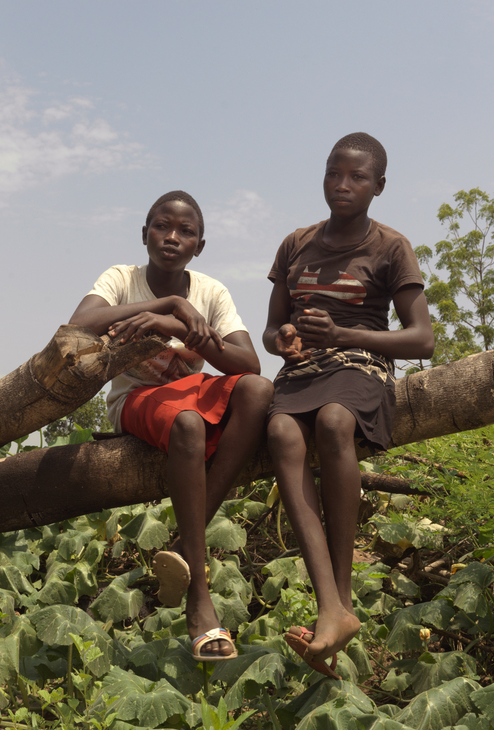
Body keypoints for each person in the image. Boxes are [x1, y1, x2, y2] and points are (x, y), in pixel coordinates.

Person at [69, 190, 273, 662]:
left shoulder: (211, 291)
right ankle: (200, 600)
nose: (172, 237)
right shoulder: (123, 278)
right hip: (136, 399)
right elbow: (79, 324)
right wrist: (171, 305)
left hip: (192, 392)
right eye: (162, 226)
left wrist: (181, 323)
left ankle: (186, 541)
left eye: (186, 231)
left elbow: (250, 364)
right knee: (187, 425)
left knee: (259, 393)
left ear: (200, 246)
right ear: (145, 234)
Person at [264, 133, 435, 678]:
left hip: (360, 362)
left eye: (357, 177)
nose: (342, 185)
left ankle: (337, 601)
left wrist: (341, 334)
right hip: (303, 370)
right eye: (334, 173)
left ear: (378, 186)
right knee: (283, 436)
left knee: (335, 423)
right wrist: (284, 338)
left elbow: (422, 339)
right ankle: (333, 608)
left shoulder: (390, 246)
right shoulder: (296, 244)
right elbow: (271, 328)